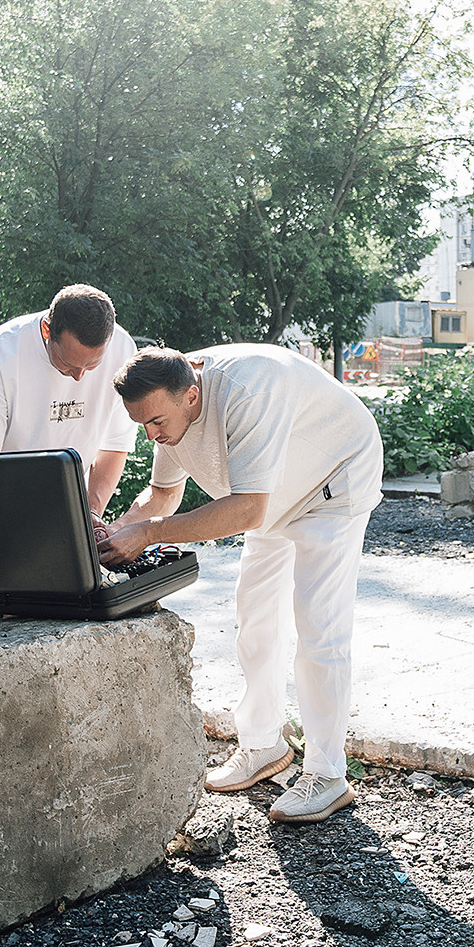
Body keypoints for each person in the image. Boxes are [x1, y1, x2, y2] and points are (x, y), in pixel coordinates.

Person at [102, 344, 383, 824]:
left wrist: (149, 535)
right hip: (270, 498)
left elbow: (246, 510)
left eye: (155, 424)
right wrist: (119, 528)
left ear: (192, 396)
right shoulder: (166, 404)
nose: (151, 435)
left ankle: (328, 772)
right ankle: (263, 746)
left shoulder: (250, 389)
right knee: (254, 621)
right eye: (141, 425)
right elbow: (165, 495)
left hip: (333, 483)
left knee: (318, 626)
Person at [0, 284, 138, 621]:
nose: (79, 376)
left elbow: (114, 447)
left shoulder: (123, 349)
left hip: (70, 513)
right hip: (0, 515)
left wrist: (90, 512)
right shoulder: (0, 356)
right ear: (47, 329)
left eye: (92, 367)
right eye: (68, 364)